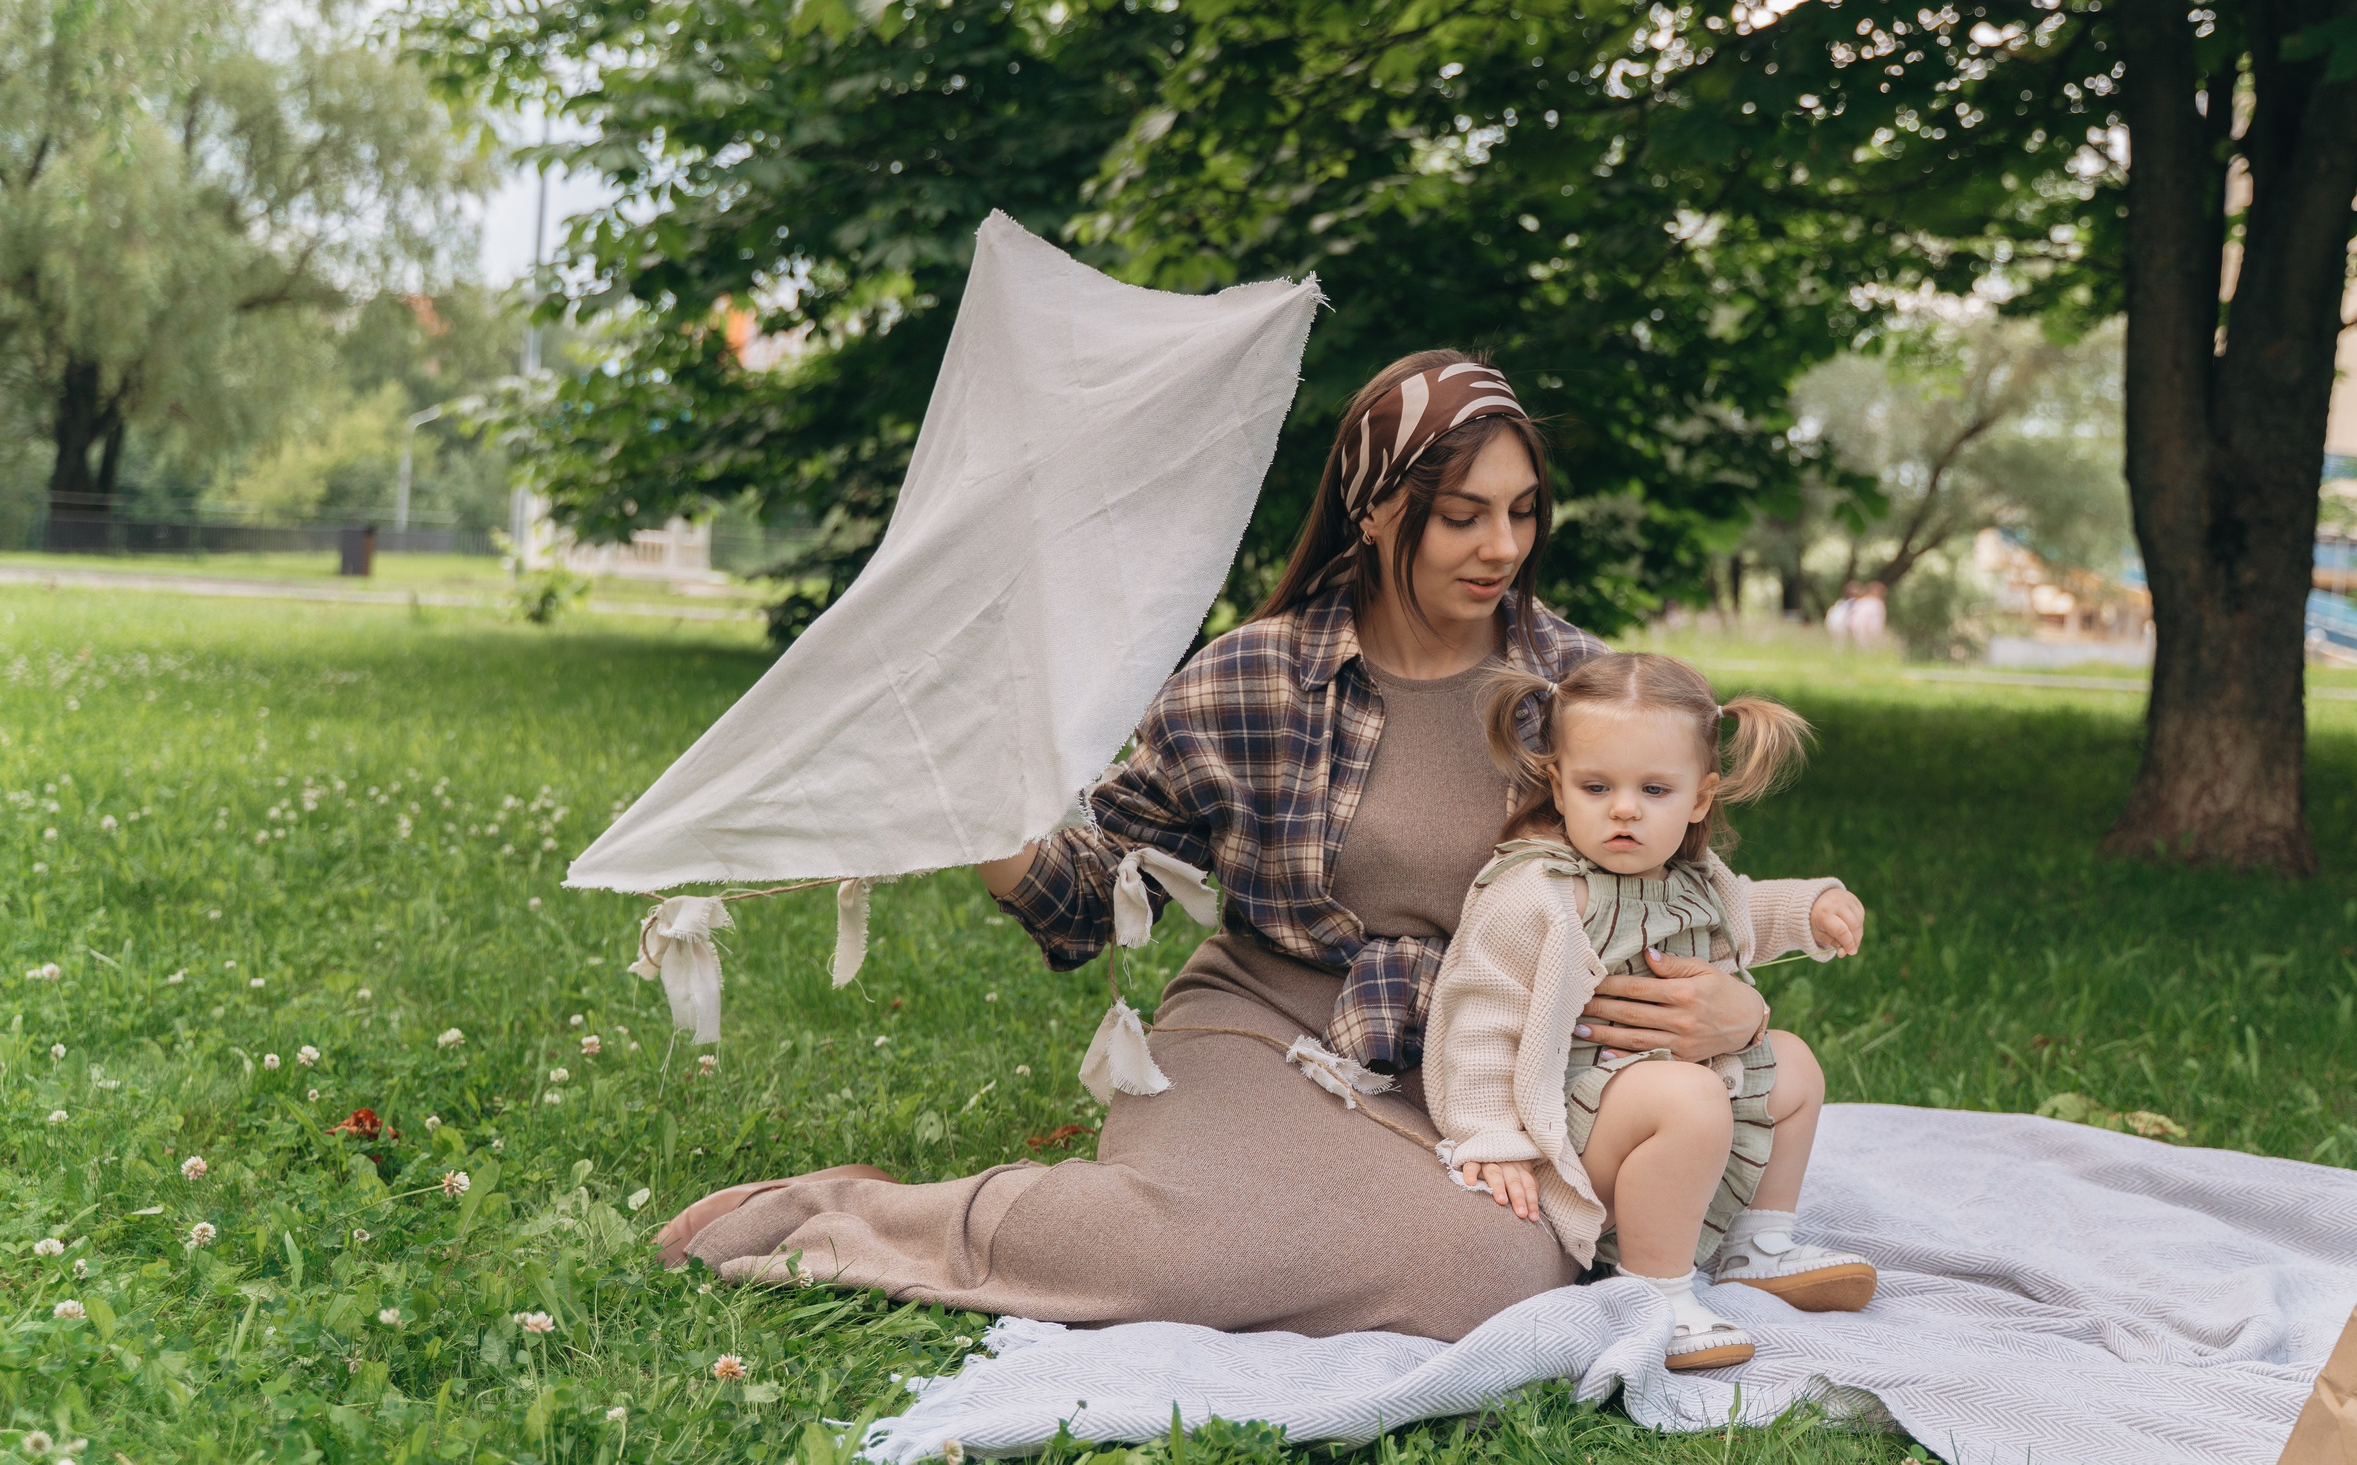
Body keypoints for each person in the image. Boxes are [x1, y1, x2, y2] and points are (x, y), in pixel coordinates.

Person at [652, 351, 1784, 1341]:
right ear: (1378, 507)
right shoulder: (1255, 674)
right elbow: (1091, 893)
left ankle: (1271, 1227)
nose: (1503, 545)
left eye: (1524, 511)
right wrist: (980, 811)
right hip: (1265, 1026)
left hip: (1481, 1067)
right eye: (1464, 514)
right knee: (1185, 1250)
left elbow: (1676, 881)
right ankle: (853, 1212)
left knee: (1495, 1269)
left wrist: (1737, 1011)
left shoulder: (1571, 688)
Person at [1425, 652, 1875, 1370]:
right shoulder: (1539, 891)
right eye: (1597, 786)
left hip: (1659, 1093)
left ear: (1700, 798)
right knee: (1690, 1096)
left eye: (1654, 789)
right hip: (1572, 1133)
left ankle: (1759, 1243)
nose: (1625, 809)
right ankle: (1651, 1292)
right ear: (1557, 785)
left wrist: (1810, 908)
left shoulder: (1696, 879)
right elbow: (1480, 1016)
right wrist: (1490, 1135)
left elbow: (1747, 911)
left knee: (1793, 1063)